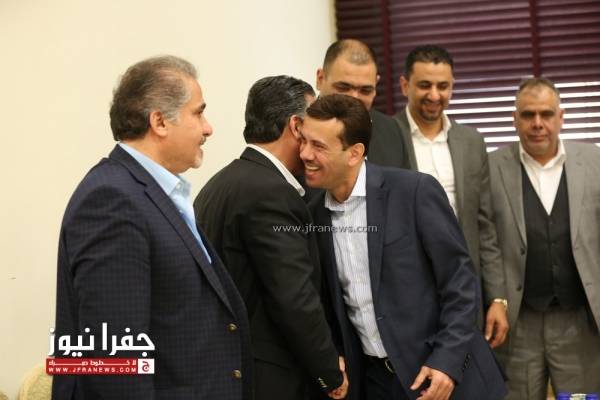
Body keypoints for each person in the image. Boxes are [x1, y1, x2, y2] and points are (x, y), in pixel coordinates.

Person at [52, 56, 252, 399]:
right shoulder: (112, 199)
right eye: (198, 113)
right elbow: (114, 358)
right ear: (159, 121)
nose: (208, 128)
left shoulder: (155, 192)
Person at [299, 94, 507, 400]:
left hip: (445, 377)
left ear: (354, 153)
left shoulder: (414, 191)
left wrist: (447, 362)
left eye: (318, 146)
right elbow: (329, 303)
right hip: (375, 384)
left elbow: (460, 283)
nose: (304, 153)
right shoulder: (312, 212)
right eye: (303, 141)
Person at [193, 76, 347, 400]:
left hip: (227, 370)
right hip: (272, 379)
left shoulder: (220, 184)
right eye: (313, 126)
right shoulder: (271, 192)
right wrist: (329, 372)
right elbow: (294, 298)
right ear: (296, 126)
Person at [374, 45, 508, 346]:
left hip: (462, 284)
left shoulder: (472, 142)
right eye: (425, 85)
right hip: (406, 287)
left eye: (443, 86)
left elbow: (485, 226)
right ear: (405, 85)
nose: (434, 95)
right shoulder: (384, 137)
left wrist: (498, 297)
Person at [489, 77, 600, 398]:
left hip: (580, 320)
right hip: (517, 322)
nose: (537, 123)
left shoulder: (594, 161)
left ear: (560, 117)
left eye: (546, 114)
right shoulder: (491, 167)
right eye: (528, 115)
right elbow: (487, 241)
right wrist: (496, 299)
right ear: (514, 119)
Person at [316, 38, 410, 170]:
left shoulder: (391, 129)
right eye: (343, 87)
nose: (354, 97)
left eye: (365, 90)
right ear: (320, 79)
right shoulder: (297, 130)